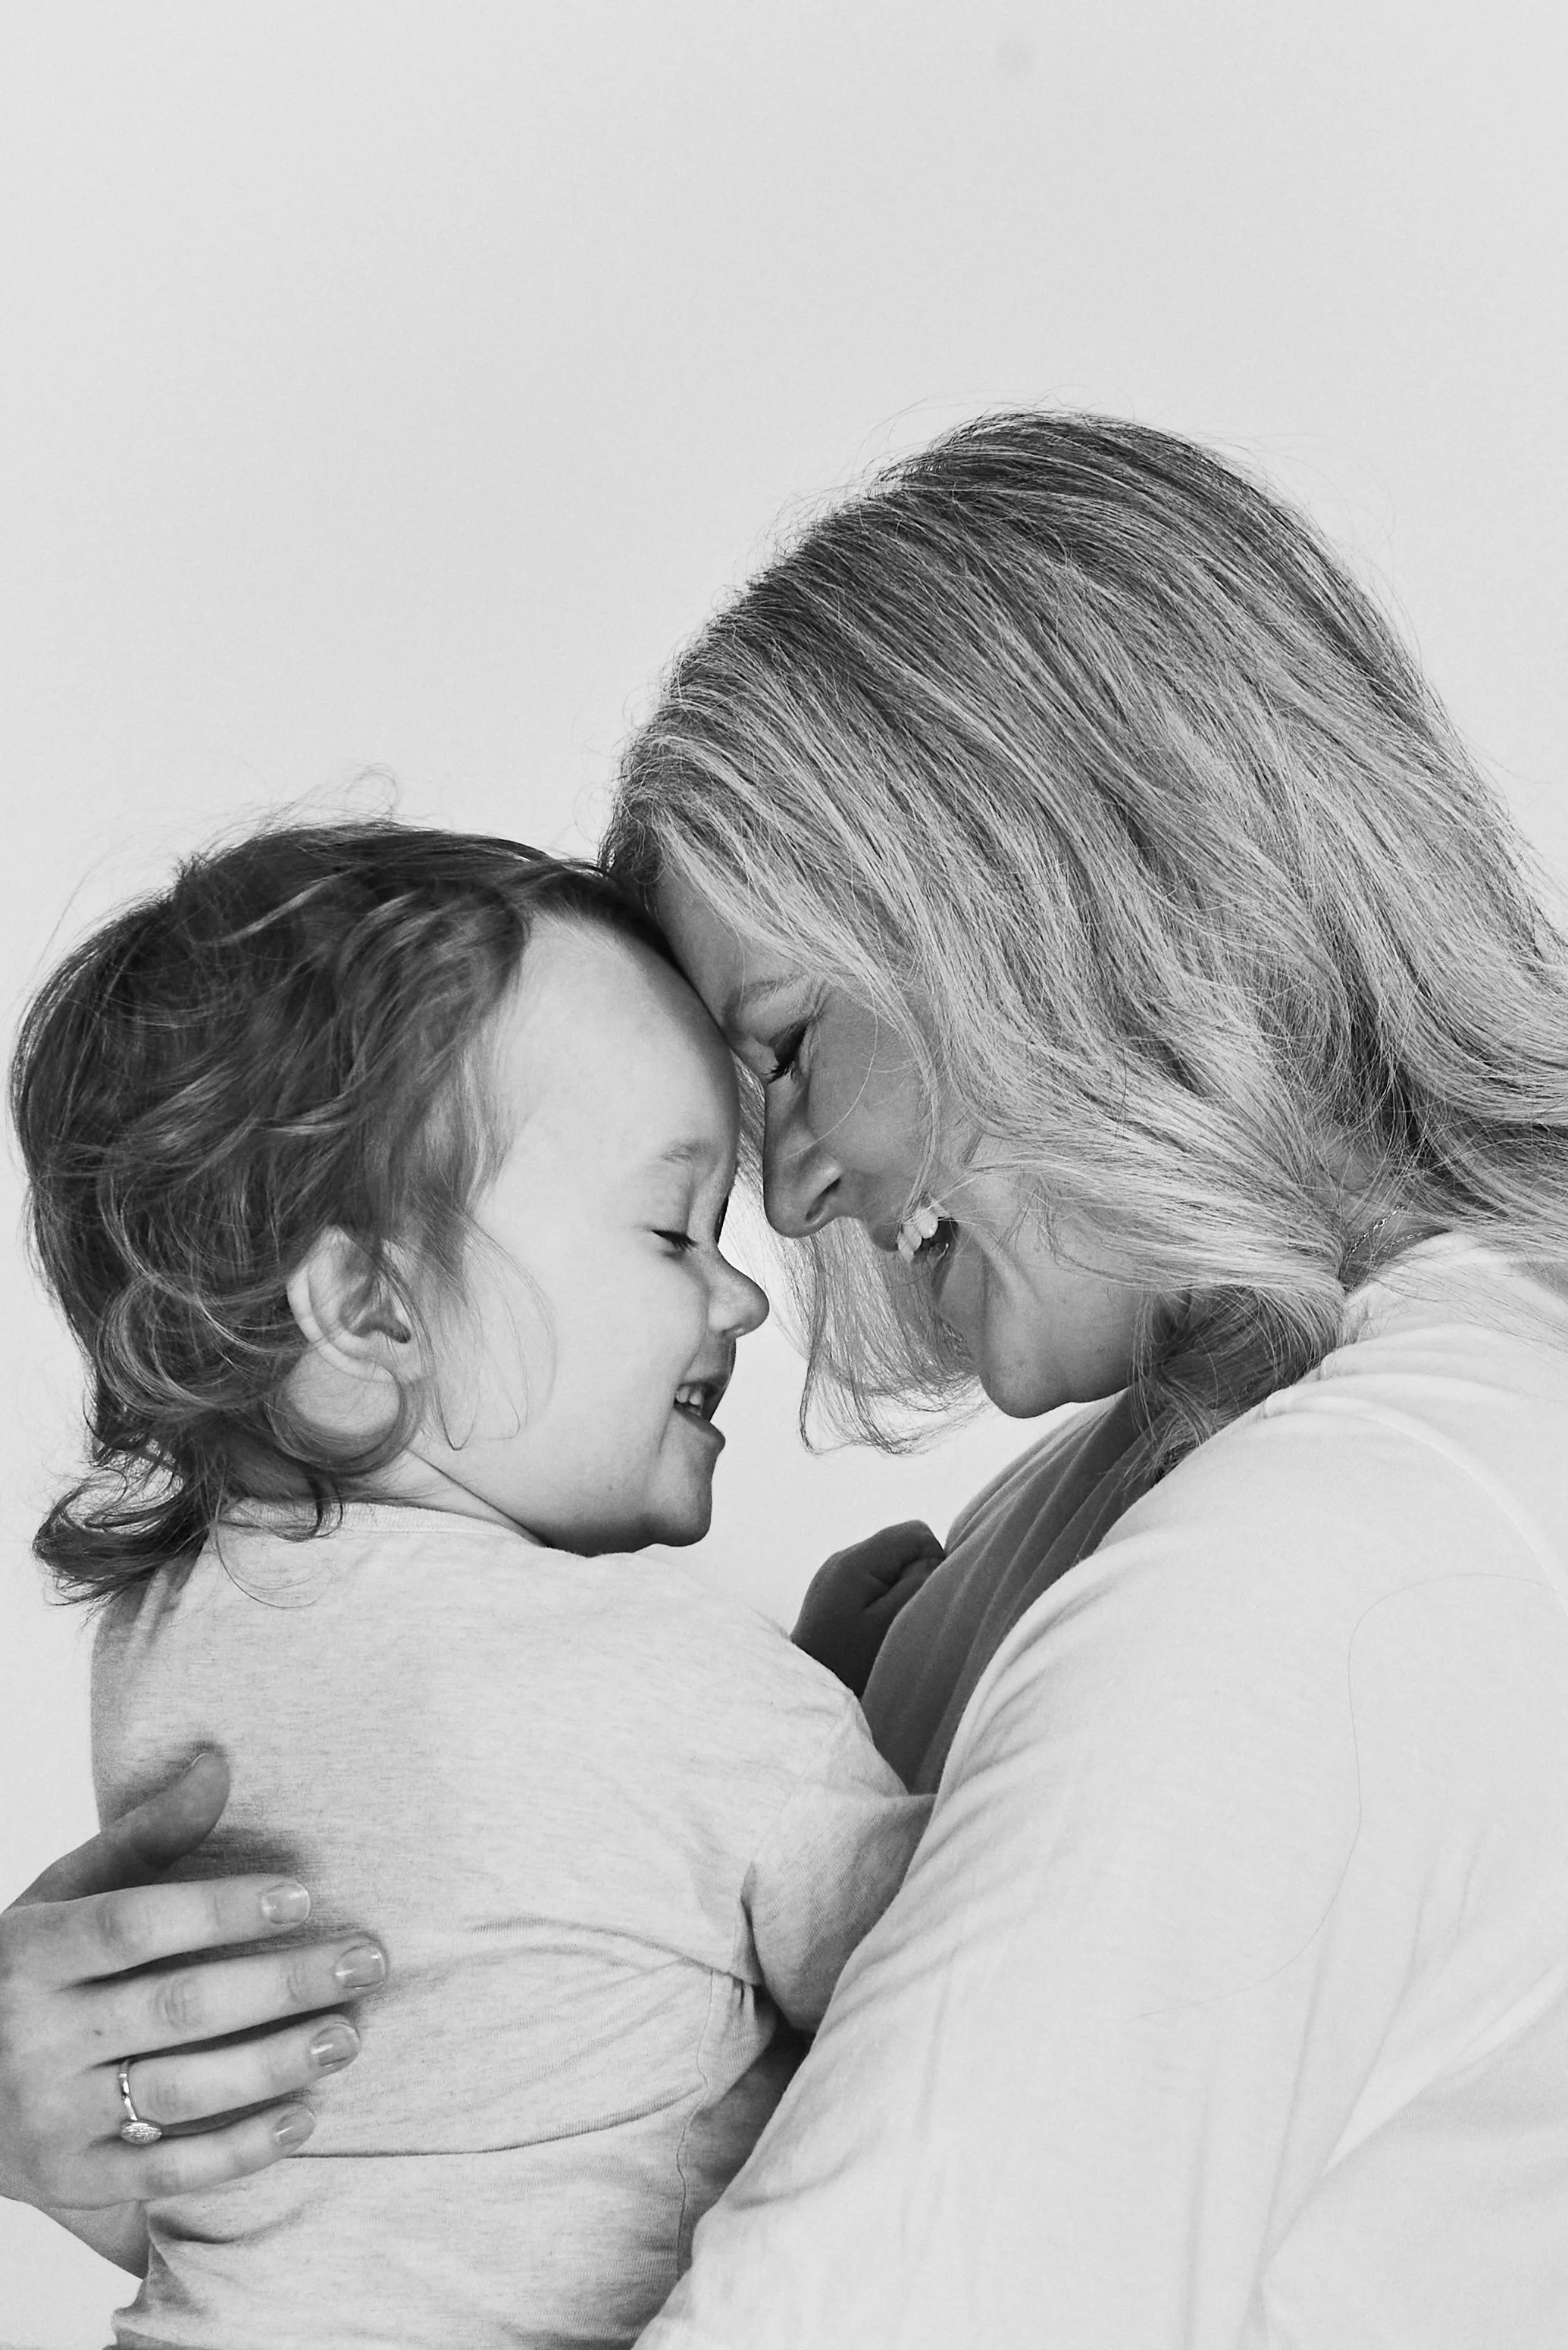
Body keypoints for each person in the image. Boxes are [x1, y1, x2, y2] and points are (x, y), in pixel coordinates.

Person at [4, 411, 1568, 2346]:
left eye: (790, 1041)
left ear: (1061, 911)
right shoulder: (1210, 1471)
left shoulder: (1316, 1566)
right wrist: (147, 2107)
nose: (790, 1189)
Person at [5, 820, 931, 2348]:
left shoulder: (164, 1646)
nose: (741, 1295)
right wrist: (825, 1735)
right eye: (671, 1228)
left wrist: (777, 1717)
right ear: (373, 1307)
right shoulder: (684, 1700)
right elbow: (973, 1969)